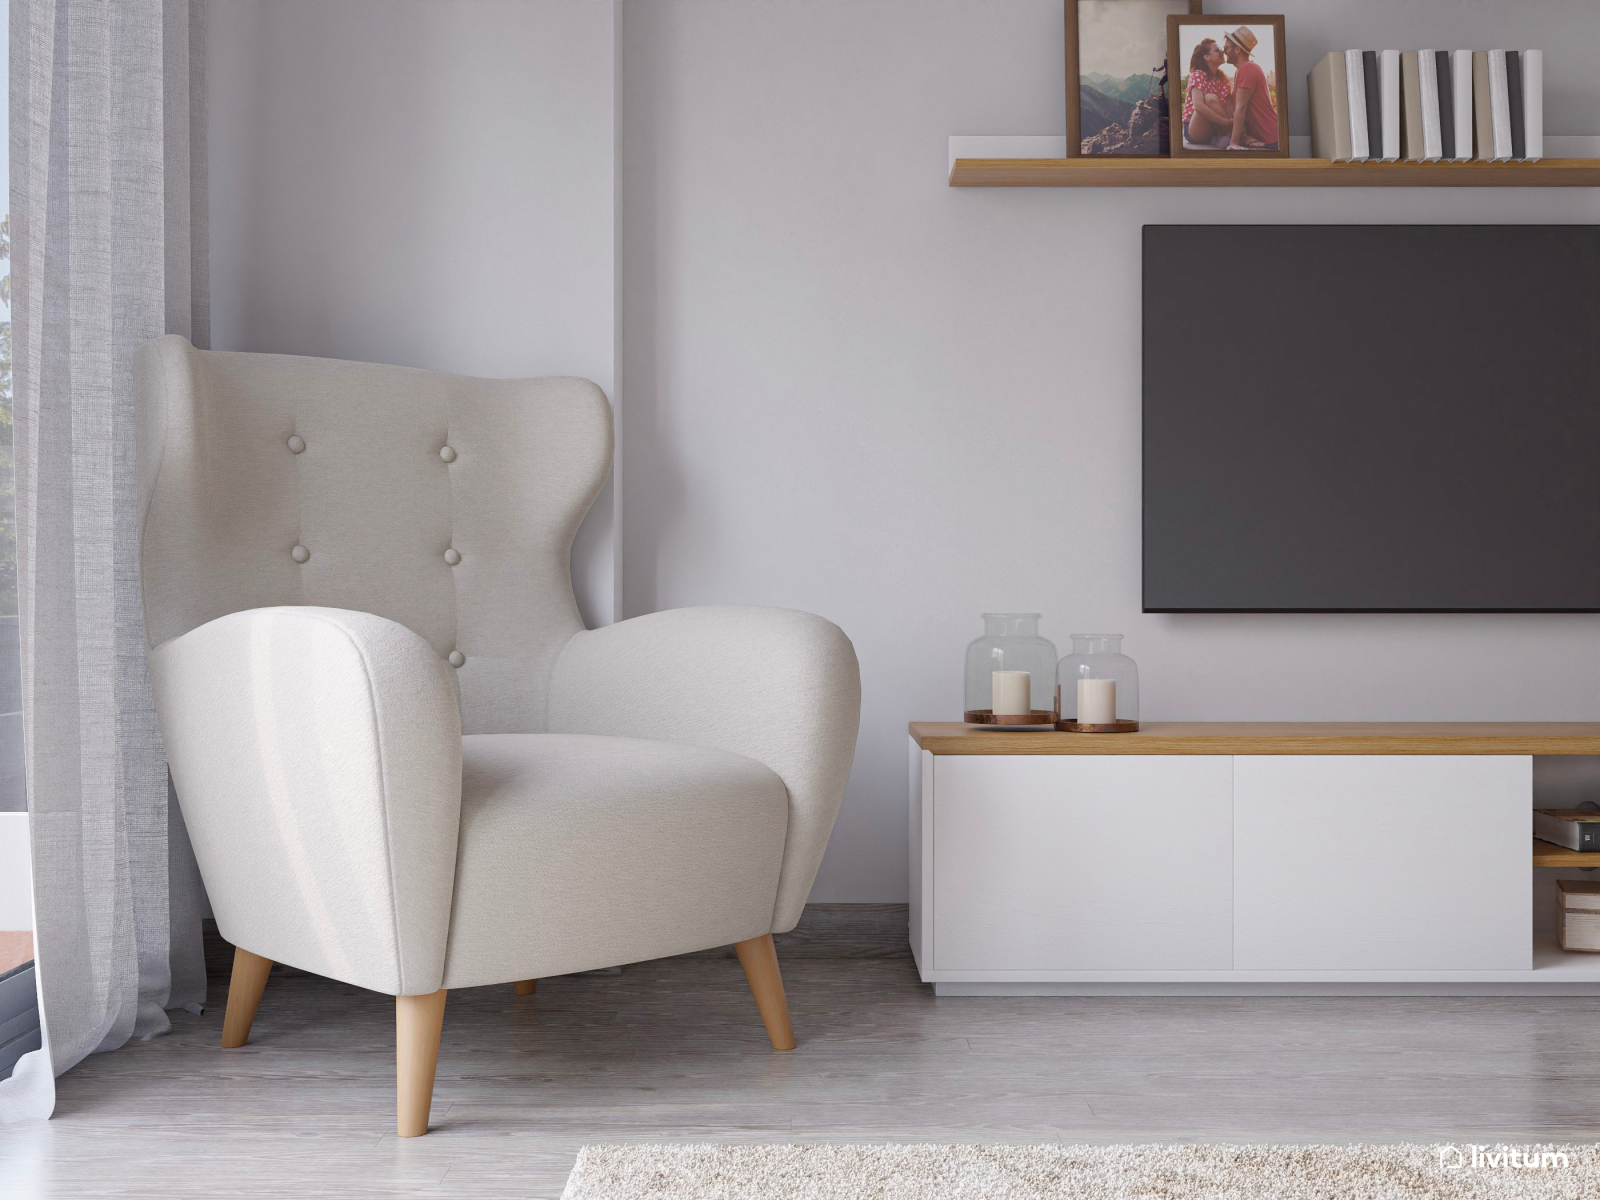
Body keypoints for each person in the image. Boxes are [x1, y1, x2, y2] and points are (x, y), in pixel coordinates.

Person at [1222, 26, 1278, 150]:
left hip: (1272, 140)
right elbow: (1232, 104)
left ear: (1237, 49)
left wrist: (1234, 143)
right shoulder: (1241, 71)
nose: (1223, 51)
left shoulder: (1248, 69)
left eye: (1226, 47)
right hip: (1266, 139)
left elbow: (1241, 107)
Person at [1181, 38, 1234, 149]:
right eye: (1217, 49)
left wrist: (1236, 120)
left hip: (1215, 128)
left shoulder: (1223, 79)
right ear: (1207, 57)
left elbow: (1229, 106)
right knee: (1210, 98)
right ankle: (1234, 133)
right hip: (1195, 129)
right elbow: (1198, 106)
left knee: (1215, 100)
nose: (1222, 52)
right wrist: (1226, 122)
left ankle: (1217, 138)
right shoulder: (1198, 75)